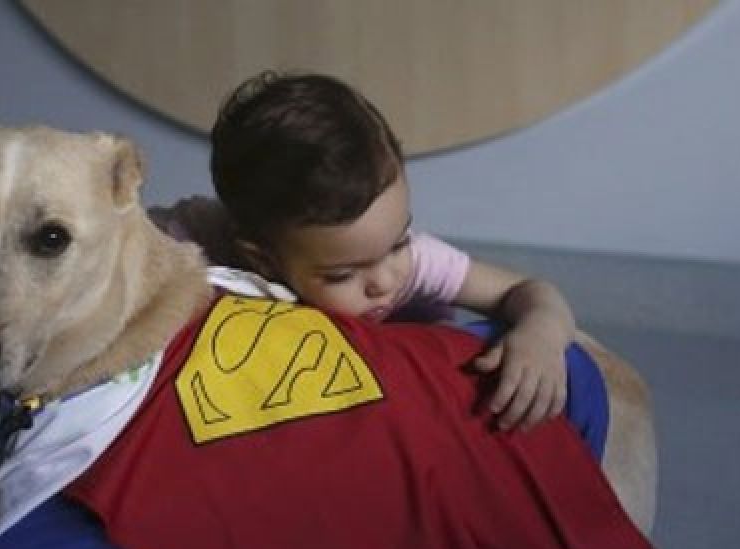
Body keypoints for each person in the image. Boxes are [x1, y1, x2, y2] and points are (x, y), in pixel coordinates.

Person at [155, 71, 579, 431]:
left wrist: (541, 332)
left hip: (406, 403)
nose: (384, 282)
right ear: (262, 260)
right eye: (343, 275)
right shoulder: (197, 244)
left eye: (397, 242)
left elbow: (526, 290)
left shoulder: (412, 265)